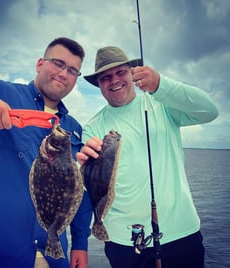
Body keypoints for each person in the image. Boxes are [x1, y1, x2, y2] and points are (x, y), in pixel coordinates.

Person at [76, 46, 218, 268]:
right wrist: (82, 166)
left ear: (133, 72)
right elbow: (89, 184)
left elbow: (209, 111)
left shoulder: (164, 104)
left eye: (120, 72)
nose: (114, 80)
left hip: (180, 234)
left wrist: (161, 85)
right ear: (99, 85)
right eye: (106, 77)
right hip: (122, 242)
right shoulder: (92, 127)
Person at [0, 37, 92, 268]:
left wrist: (80, 242)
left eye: (73, 71)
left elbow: (76, 191)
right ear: (40, 63)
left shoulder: (73, 128)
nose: (64, 74)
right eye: (58, 63)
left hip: (54, 255)